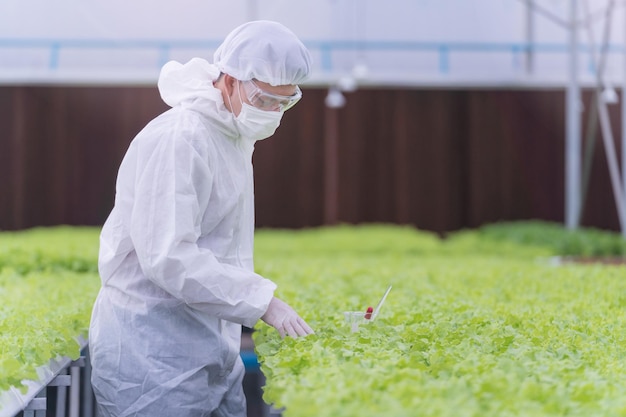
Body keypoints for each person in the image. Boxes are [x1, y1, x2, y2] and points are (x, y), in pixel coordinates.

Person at [88, 20, 314, 417]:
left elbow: (219, 246)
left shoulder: (230, 134)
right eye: (264, 100)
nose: (273, 113)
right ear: (228, 80)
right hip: (153, 358)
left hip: (207, 343)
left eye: (285, 102)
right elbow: (168, 256)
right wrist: (263, 302)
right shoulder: (181, 138)